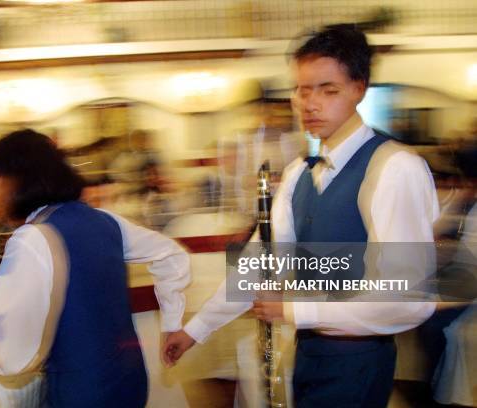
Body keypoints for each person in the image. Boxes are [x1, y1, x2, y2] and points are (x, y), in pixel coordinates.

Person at [163, 25, 439, 407]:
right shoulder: (298, 173)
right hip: (307, 352)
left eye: (328, 90)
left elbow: (410, 299)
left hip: (357, 360)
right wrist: (195, 329)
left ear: (359, 88)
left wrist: (294, 308)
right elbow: (259, 262)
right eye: (302, 90)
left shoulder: (395, 167)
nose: (310, 103)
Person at [0, 129, 191, 407]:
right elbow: (172, 255)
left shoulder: (31, 239)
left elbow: (13, 358)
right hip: (130, 381)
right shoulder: (104, 220)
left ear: (17, 181)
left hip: (79, 392)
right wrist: (172, 323)